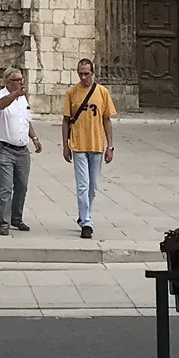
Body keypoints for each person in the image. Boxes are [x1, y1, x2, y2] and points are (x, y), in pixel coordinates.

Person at [61, 58, 116, 240]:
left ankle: (86, 213)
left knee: (93, 187)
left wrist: (111, 146)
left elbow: (107, 119)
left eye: (86, 73)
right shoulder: (72, 93)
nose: (83, 77)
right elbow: (66, 120)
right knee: (83, 185)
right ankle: (86, 223)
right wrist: (65, 146)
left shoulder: (102, 93)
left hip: (96, 145)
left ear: (93, 73)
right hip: (78, 145)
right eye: (80, 74)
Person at [0, 67, 40, 235]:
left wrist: (34, 138)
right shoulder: (0, 94)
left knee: (22, 185)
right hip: (4, 147)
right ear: (8, 82)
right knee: (6, 187)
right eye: (17, 80)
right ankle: (3, 222)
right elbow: (0, 106)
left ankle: (16, 218)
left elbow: (26, 121)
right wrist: (15, 95)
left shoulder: (23, 99)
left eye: (22, 80)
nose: (21, 82)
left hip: (22, 149)